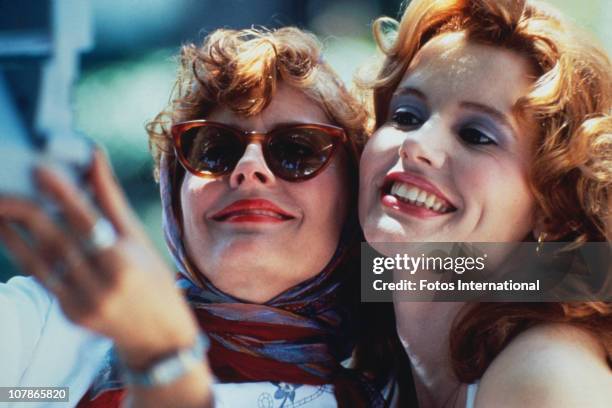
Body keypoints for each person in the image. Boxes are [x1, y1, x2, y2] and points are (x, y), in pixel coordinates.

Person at [0, 27, 397, 407]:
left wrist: (162, 362)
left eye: (297, 150)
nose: (249, 167)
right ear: (175, 197)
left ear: (353, 197)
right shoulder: (58, 320)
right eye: (214, 149)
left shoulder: (412, 390)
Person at [357, 0, 612, 406]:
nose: (417, 144)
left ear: (555, 209)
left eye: (476, 135)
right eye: (405, 115)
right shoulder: (372, 369)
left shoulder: (547, 376)